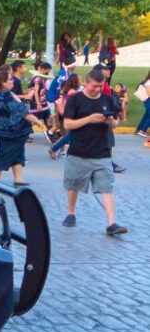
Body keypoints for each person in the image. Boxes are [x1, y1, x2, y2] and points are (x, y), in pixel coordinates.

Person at [61, 68, 127, 236]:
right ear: (86, 83)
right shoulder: (75, 100)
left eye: (101, 86)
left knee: (107, 187)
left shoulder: (107, 99)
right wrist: (89, 119)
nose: (98, 89)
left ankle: (112, 223)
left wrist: (111, 122)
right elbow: (68, 124)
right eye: (95, 86)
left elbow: (116, 123)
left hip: (102, 152)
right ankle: (71, 212)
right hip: (78, 151)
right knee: (73, 184)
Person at [0, 68, 39, 186]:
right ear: (3, 82)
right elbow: (22, 112)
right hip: (9, 132)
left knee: (18, 154)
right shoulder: (5, 95)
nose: (13, 81)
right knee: (2, 156)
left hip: (3, 131)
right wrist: (38, 121)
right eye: (10, 79)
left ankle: (18, 178)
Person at [134, 69, 150, 138]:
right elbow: (149, 93)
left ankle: (138, 130)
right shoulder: (149, 82)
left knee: (146, 115)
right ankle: (142, 131)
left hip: (147, 100)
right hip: (148, 100)